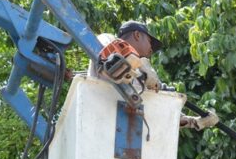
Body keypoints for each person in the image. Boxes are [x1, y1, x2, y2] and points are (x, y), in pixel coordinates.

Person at [89, 20, 217, 130]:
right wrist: (140, 65)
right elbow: (107, 54)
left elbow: (156, 110)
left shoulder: (139, 80)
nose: (151, 50)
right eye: (150, 42)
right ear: (137, 35)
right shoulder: (107, 40)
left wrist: (194, 121)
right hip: (98, 120)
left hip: (116, 129)